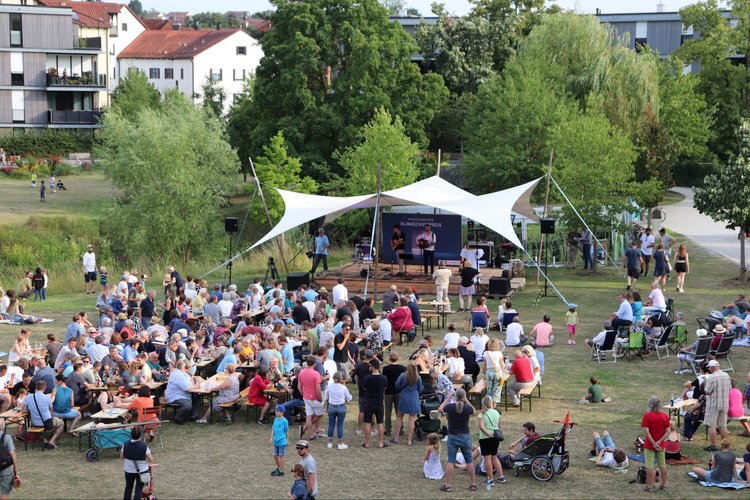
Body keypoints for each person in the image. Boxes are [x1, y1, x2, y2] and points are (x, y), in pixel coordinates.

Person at [438, 388, 477, 492]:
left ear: (455, 397)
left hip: (452, 436)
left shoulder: (450, 407)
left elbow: (440, 409)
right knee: (469, 461)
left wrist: (447, 398)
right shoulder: (467, 408)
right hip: (465, 436)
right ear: (463, 396)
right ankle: (473, 484)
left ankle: (448, 485)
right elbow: (475, 412)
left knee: (451, 460)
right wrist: (466, 400)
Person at [640, 395, 670, 493]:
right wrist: (659, 442)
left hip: (649, 445)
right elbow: (668, 431)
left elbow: (647, 432)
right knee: (662, 465)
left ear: (650, 405)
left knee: (649, 466)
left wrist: (653, 443)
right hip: (661, 445)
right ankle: (664, 485)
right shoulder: (665, 416)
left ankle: (650, 486)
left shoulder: (647, 416)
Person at [23, 380, 63, 449]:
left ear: (36, 387)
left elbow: (23, 410)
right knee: (61, 424)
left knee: (39, 426)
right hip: (47, 422)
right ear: (44, 388)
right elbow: (51, 411)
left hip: (35, 423)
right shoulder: (47, 398)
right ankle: (51, 441)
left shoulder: (28, 397)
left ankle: (45, 440)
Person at [477, 396, 505, 489]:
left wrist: (488, 434)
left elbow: (481, 427)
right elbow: (499, 426)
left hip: (485, 438)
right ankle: (501, 476)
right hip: (496, 438)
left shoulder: (482, 415)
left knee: (487, 459)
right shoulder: (497, 412)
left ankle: (490, 479)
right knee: (494, 457)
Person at [703, 359, 731, 452]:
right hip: (724, 403)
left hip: (713, 404)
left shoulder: (712, 377)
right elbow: (730, 388)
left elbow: (707, 391)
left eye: (710, 368)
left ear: (712, 368)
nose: (709, 370)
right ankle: (725, 445)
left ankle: (713, 445)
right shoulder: (726, 375)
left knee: (711, 425)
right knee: (722, 425)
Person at [392, 363, 423, 445]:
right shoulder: (418, 377)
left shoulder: (402, 375)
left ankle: (396, 438)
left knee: (399, 417)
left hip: (404, 397)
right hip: (414, 398)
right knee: (411, 419)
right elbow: (420, 389)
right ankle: (409, 440)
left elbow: (397, 385)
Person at [120, 426, 154, 500]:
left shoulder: (125, 444)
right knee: (138, 489)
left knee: (128, 488)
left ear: (131, 434)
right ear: (140, 435)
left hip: (129, 470)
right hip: (142, 471)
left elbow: (121, 457)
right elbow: (151, 459)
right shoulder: (144, 446)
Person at [164, 360, 201, 425]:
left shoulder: (181, 373)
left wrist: (193, 383)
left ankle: (193, 415)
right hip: (175, 396)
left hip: (180, 394)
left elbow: (190, 382)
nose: (188, 369)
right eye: (187, 367)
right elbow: (187, 388)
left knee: (196, 396)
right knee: (187, 406)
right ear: (184, 367)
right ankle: (178, 418)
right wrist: (198, 385)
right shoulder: (178, 375)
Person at [362, 358, 388, 448]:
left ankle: (367, 443)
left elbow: (364, 388)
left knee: (368, 422)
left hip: (369, 401)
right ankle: (381, 443)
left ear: (372, 367)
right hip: (379, 401)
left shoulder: (367, 378)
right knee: (380, 422)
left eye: (370, 366)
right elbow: (385, 388)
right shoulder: (384, 378)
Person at [323, 371, 351, 449]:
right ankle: (340, 442)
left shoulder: (329, 386)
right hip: (341, 407)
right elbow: (349, 397)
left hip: (331, 406)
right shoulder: (343, 387)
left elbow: (326, 397)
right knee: (340, 424)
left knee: (331, 423)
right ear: (341, 379)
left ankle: (329, 442)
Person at [298, 356, 324, 440]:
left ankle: (310, 434)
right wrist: (320, 398)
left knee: (309, 415)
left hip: (306, 397)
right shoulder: (316, 374)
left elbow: (299, 386)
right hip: (315, 398)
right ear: (315, 364)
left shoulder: (301, 372)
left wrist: (303, 394)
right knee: (319, 414)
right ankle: (307, 430)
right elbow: (318, 389)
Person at [382, 352, 405, 437]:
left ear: (389, 359)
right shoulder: (402, 368)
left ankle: (388, 430)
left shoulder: (386, 369)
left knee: (388, 411)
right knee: (399, 411)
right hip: (398, 391)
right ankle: (401, 429)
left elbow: (384, 380)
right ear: (397, 359)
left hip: (388, 392)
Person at [0, 418, 17, 500]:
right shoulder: (6, 437)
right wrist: (15, 468)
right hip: (4, 468)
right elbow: (12, 454)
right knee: (4, 491)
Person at [270, 405, 290, 477]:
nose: (276, 412)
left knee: (281, 455)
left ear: (282, 412)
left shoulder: (285, 421)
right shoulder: (275, 419)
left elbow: (287, 431)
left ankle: (282, 470)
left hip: (282, 440)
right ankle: (279, 467)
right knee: (275, 456)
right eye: (276, 411)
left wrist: (287, 440)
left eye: (278, 411)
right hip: (276, 440)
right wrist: (271, 438)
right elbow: (273, 429)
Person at [483, 339, 505, 404]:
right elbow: (501, 364)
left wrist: (484, 374)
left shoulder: (485, 353)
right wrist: (503, 373)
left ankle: (488, 404)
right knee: (496, 391)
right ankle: (493, 405)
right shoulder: (499, 353)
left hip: (489, 371)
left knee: (489, 390)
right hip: (497, 371)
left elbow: (485, 365)